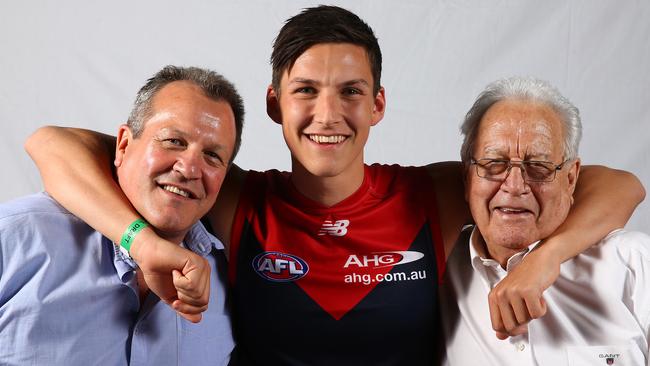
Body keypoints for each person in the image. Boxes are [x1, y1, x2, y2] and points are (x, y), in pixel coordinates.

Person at [25, 5, 644, 366]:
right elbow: (51, 143)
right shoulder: (237, 197)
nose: (328, 114)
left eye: (350, 91)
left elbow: (619, 184)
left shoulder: (430, 193)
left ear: (377, 104)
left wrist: (547, 260)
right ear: (274, 104)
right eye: (305, 91)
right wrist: (142, 240)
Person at [1, 65, 243, 365]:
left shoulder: (232, 278)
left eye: (212, 156)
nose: (189, 169)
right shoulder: (16, 238)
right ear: (124, 145)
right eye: (174, 141)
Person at [441, 76, 650, 365]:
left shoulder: (634, 263)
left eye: (538, 166)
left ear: (571, 178)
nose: (514, 186)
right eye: (494, 164)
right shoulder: (434, 274)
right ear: (467, 178)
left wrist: (546, 257)